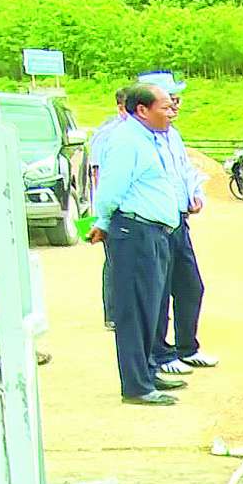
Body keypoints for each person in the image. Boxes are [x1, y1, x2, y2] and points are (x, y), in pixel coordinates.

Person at [88, 83, 185, 406]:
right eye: (165, 107)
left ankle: (147, 370)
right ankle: (136, 386)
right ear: (142, 110)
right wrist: (103, 220)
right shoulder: (126, 141)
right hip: (135, 232)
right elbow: (111, 187)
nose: (171, 112)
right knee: (134, 309)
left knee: (151, 306)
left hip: (153, 232)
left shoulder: (146, 138)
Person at [139, 71, 218, 377]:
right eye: (171, 99)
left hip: (178, 221)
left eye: (177, 100)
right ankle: (160, 353)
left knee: (190, 286)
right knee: (158, 291)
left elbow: (184, 171)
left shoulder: (172, 134)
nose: (175, 105)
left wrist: (194, 194)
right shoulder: (138, 138)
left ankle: (187, 347)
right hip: (154, 223)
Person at [90, 86, 132, 331]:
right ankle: (113, 313)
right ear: (121, 108)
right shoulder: (107, 134)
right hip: (112, 207)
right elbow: (98, 175)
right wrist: (104, 213)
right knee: (114, 261)